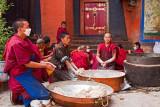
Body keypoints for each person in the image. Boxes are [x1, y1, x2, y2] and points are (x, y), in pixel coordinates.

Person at [3, 19, 56, 107]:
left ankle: (21, 95)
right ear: (20, 29)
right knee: (44, 97)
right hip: (20, 75)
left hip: (27, 73)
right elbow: (26, 63)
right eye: (27, 27)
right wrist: (44, 65)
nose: (29, 29)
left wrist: (44, 62)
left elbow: (35, 57)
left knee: (45, 94)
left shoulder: (25, 41)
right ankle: (17, 94)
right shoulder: (16, 43)